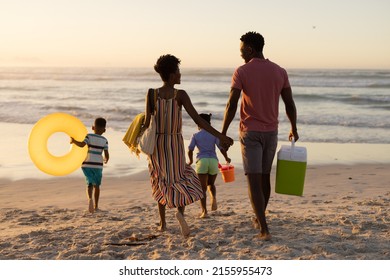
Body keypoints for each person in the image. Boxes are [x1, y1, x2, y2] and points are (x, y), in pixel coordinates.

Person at [143, 54, 233, 237]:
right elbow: (198, 119)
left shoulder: (152, 94)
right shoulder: (180, 95)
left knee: (160, 181)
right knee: (180, 178)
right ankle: (180, 213)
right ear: (171, 74)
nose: (180, 74)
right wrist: (220, 135)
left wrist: (137, 140)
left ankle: (162, 223)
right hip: (174, 144)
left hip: (157, 146)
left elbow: (146, 123)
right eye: (178, 71)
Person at [221, 32, 299, 241]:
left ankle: (263, 228)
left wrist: (223, 132)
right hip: (271, 133)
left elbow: (231, 104)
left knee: (253, 181)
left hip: (251, 133)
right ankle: (260, 217)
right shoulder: (279, 71)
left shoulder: (242, 71)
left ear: (250, 49)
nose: (240, 55)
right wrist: (294, 128)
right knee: (264, 178)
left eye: (241, 50)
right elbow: (289, 103)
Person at [187, 113, 231, 218]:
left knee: (202, 189)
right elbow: (221, 148)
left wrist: (190, 160)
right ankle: (214, 198)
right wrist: (226, 158)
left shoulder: (196, 135)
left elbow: (190, 149)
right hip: (213, 161)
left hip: (202, 161)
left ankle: (204, 211)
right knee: (211, 184)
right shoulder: (214, 135)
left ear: (199, 123)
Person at [71, 117, 109, 213]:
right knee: (97, 185)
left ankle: (90, 200)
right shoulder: (105, 140)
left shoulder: (89, 136)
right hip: (98, 165)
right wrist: (106, 159)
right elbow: (107, 154)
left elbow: (82, 145)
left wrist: (74, 141)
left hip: (87, 164)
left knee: (89, 184)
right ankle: (96, 206)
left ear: (93, 127)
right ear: (104, 130)